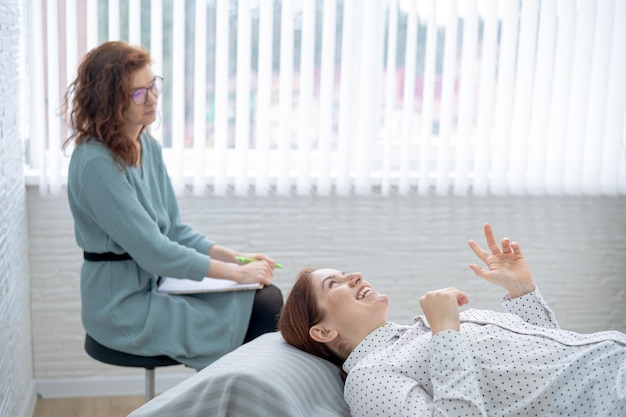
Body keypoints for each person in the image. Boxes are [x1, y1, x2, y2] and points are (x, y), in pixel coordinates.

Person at [62, 40, 283, 370]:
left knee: (267, 297)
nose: (152, 98)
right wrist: (238, 274)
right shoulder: (96, 163)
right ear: (109, 102)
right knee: (264, 307)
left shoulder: (144, 145)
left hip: (155, 286)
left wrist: (236, 257)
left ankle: (232, 398)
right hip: (120, 308)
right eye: (138, 93)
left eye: (153, 85)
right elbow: (156, 252)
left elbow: (174, 230)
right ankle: (226, 399)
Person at [279, 224, 626, 416]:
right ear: (323, 330)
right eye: (333, 284)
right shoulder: (369, 378)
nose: (353, 275)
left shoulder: (417, 334)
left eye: (344, 272)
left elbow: (549, 369)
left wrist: (522, 292)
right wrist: (446, 332)